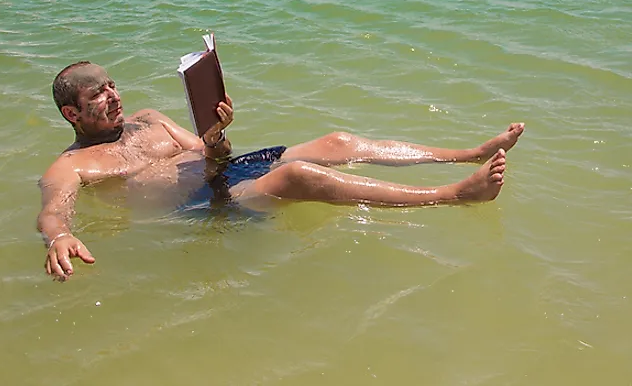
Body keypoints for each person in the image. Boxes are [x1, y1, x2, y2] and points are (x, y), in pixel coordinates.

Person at [38, 62, 523, 281]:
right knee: (297, 177)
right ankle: (455, 194)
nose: (113, 96)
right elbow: (54, 213)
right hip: (201, 205)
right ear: (72, 114)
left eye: (112, 85)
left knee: (339, 141)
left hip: (221, 173)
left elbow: (213, 154)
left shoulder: (150, 119)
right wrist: (58, 239)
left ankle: (467, 153)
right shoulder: (70, 165)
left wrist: (216, 134)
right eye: (97, 95)